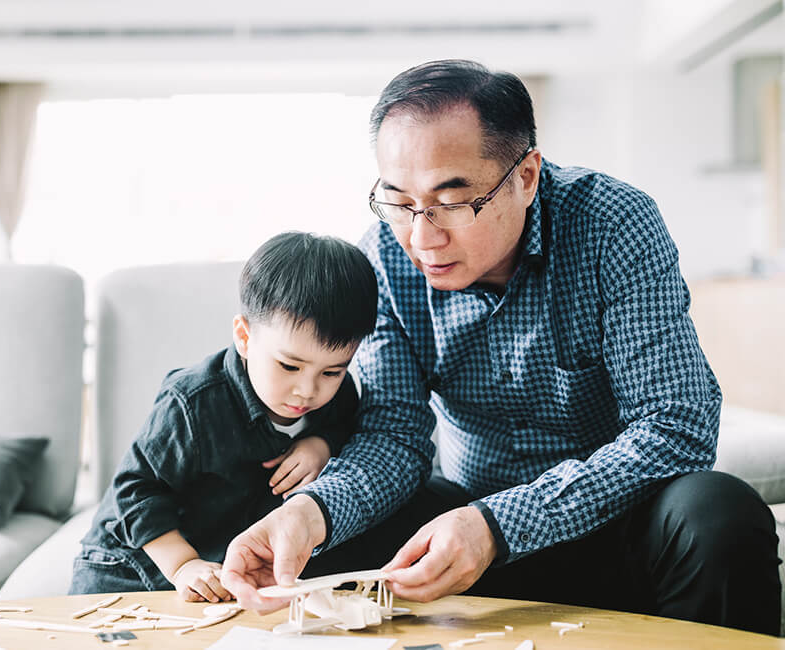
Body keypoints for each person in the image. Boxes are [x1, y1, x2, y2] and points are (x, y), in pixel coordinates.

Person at [222, 60, 781, 635]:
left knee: (720, 514)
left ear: (527, 176)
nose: (421, 238)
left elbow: (676, 425)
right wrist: (311, 513)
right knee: (327, 534)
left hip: (612, 522)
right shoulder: (385, 260)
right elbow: (393, 436)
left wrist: (499, 524)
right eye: (399, 201)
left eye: (453, 201)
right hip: (454, 527)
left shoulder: (612, 224)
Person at [70, 231, 378, 603]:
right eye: (289, 366)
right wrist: (183, 565)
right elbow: (134, 491)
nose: (308, 390)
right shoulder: (192, 402)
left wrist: (321, 444)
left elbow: (348, 425)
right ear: (244, 337)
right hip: (134, 565)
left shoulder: (337, 395)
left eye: (332, 372)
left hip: (221, 568)